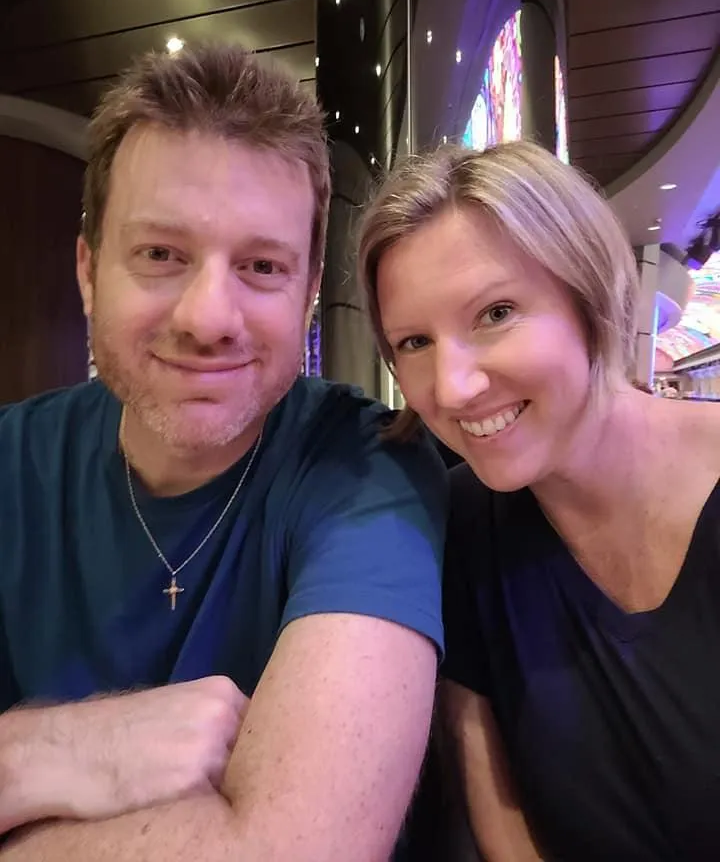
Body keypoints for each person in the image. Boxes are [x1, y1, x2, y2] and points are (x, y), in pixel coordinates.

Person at [0, 43, 447, 861]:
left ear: (309, 298)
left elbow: (300, 848)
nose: (210, 316)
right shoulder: (9, 464)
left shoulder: (366, 466)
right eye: (162, 254)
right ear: (90, 273)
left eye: (261, 266)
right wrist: (57, 750)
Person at [358, 140, 720, 861]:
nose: (453, 387)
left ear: (588, 295)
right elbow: (503, 819)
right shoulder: (459, 524)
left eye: (495, 312)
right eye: (414, 341)